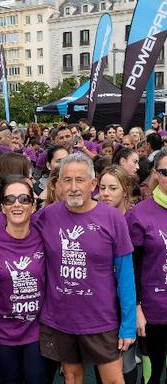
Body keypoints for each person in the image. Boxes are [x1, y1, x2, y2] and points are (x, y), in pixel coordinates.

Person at [35, 153, 136, 384]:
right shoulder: (48, 215)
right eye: (67, 180)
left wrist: (128, 325)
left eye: (79, 180)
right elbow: (17, 221)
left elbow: (125, 274)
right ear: (58, 184)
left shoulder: (112, 218)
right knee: (71, 377)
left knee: (112, 380)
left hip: (101, 319)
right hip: (61, 318)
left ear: (92, 184)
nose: (73, 187)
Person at [0, 177, 46, 384]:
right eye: (10, 200)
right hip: (2, 329)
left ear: (33, 205)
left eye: (23, 199)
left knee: (36, 379)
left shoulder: (43, 235)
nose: (17, 204)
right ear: (3, 207)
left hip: (36, 329)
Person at [128, 148, 167, 384]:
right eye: (165, 172)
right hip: (153, 313)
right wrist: (137, 307)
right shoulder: (140, 214)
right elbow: (132, 267)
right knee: (152, 375)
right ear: (155, 174)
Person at [97, 165, 138, 384]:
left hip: (130, 304)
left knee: (126, 364)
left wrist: (136, 309)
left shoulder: (134, 220)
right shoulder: (93, 217)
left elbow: (137, 271)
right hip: (102, 307)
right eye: (102, 187)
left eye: (112, 188)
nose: (105, 193)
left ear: (125, 190)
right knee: (102, 365)